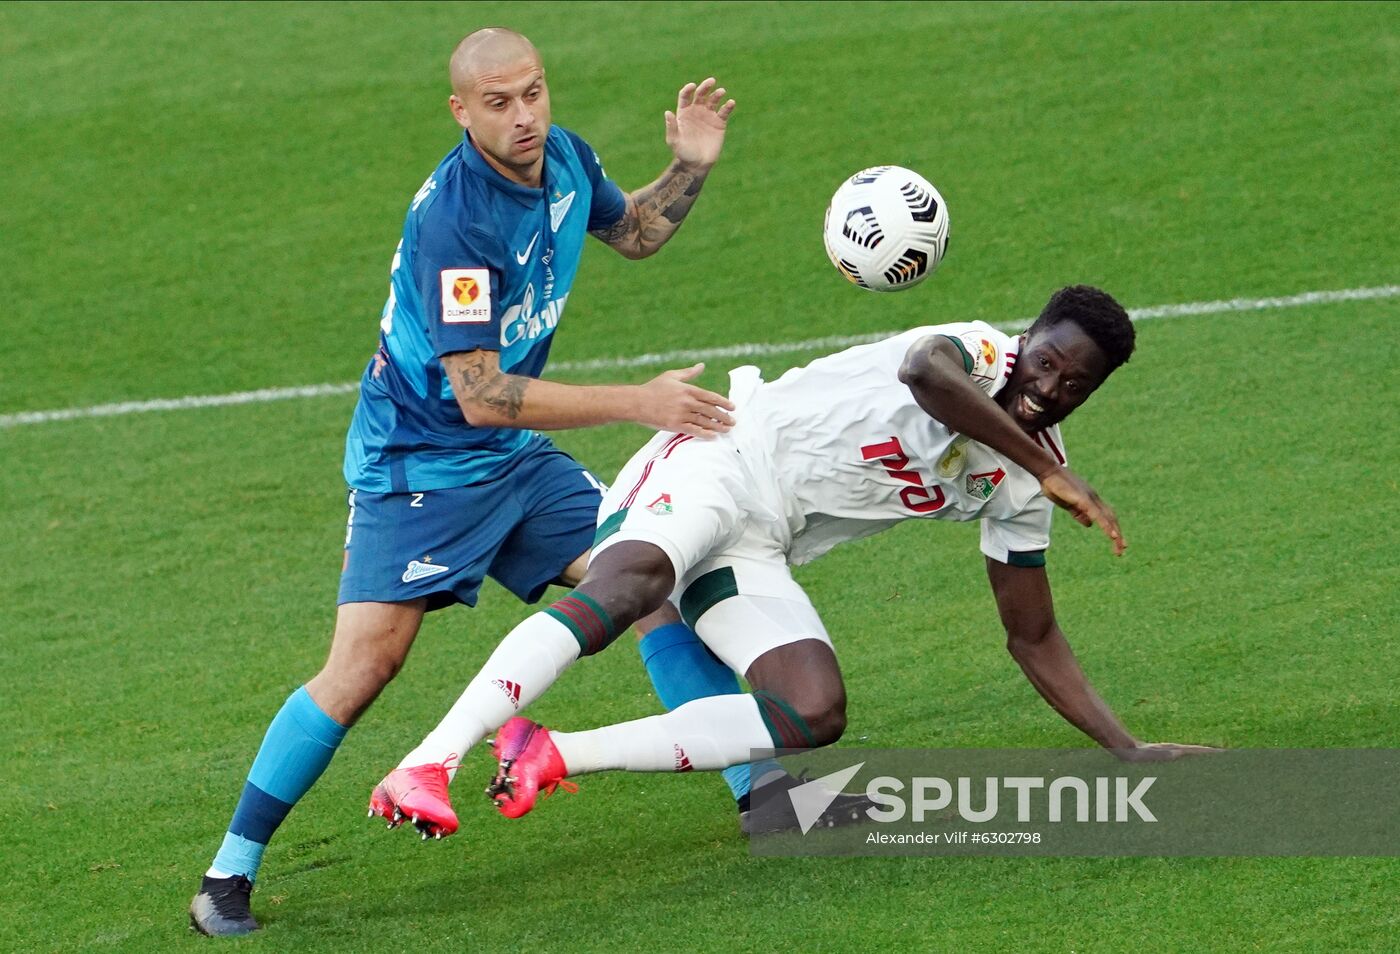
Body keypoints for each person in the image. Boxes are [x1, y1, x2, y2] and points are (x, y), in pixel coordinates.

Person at [191, 27, 752, 937]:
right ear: (461, 110)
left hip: (513, 463)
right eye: (499, 103)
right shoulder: (457, 220)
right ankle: (227, 874)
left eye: (533, 93)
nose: (524, 116)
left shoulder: (565, 157)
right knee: (365, 666)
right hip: (420, 467)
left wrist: (688, 166)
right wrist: (638, 402)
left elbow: (637, 232)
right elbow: (483, 395)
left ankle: (757, 793)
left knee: (651, 583)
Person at [381, 285, 1217, 833]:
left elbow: (1033, 639)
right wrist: (1051, 467)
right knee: (631, 588)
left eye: (1074, 384)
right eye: (1047, 361)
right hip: (717, 455)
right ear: (1025, 339)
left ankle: (551, 751)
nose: (1048, 387)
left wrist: (1125, 748)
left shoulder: (1026, 484)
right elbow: (925, 372)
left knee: (814, 711)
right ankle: (430, 760)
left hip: (760, 538)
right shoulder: (973, 352)